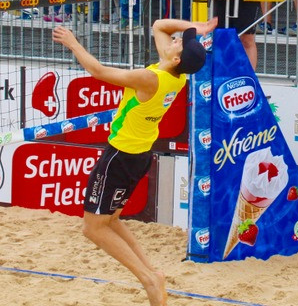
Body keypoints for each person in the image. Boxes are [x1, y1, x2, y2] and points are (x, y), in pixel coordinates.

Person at [51, 16, 214, 306]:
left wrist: (73, 43)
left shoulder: (151, 78)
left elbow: (97, 70)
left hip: (119, 157)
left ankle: (147, 279)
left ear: (176, 58)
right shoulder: (173, 75)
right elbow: (159, 25)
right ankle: (153, 273)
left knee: (93, 228)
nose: (175, 38)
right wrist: (195, 28)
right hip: (139, 156)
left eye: (179, 42)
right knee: (111, 220)